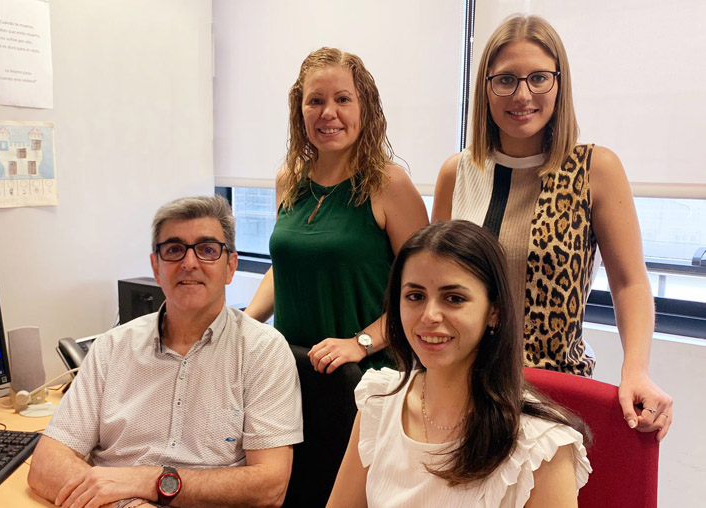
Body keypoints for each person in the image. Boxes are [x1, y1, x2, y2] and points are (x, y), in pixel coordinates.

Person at [431, 15, 672, 439]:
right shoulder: (457, 172)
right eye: (505, 80)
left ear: (560, 84)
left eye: (539, 78)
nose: (522, 94)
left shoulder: (595, 168)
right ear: (485, 88)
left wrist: (636, 369)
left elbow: (630, 282)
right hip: (464, 389)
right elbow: (434, 283)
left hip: (554, 396)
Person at [27, 195, 303, 508]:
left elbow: (270, 486)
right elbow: (47, 463)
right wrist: (127, 504)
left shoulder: (263, 351)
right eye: (174, 250)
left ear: (231, 267)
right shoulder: (112, 348)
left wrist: (147, 480)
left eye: (207, 249)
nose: (189, 263)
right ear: (156, 268)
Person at [327, 221, 591, 508]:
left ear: (494, 313)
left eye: (454, 298)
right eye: (415, 296)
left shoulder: (540, 447)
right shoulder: (380, 401)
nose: (429, 315)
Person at [245, 47, 428, 373]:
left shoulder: (389, 184)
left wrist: (361, 343)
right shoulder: (289, 179)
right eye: (316, 101)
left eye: (342, 99)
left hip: (366, 373)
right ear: (299, 111)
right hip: (290, 367)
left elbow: (423, 291)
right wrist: (242, 324)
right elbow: (284, 268)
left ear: (364, 108)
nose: (328, 112)